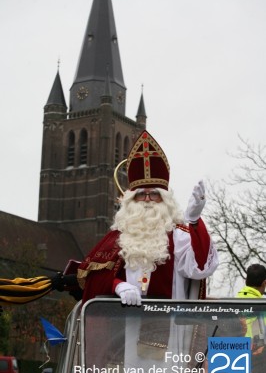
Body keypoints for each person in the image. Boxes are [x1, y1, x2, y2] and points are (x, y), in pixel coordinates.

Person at [74, 130, 219, 304]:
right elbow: (92, 278)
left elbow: (201, 268)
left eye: (155, 194)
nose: (148, 200)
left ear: (165, 199)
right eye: (142, 194)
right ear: (131, 199)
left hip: (170, 325)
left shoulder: (180, 236)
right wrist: (117, 285)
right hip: (124, 327)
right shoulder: (117, 238)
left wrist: (194, 220)